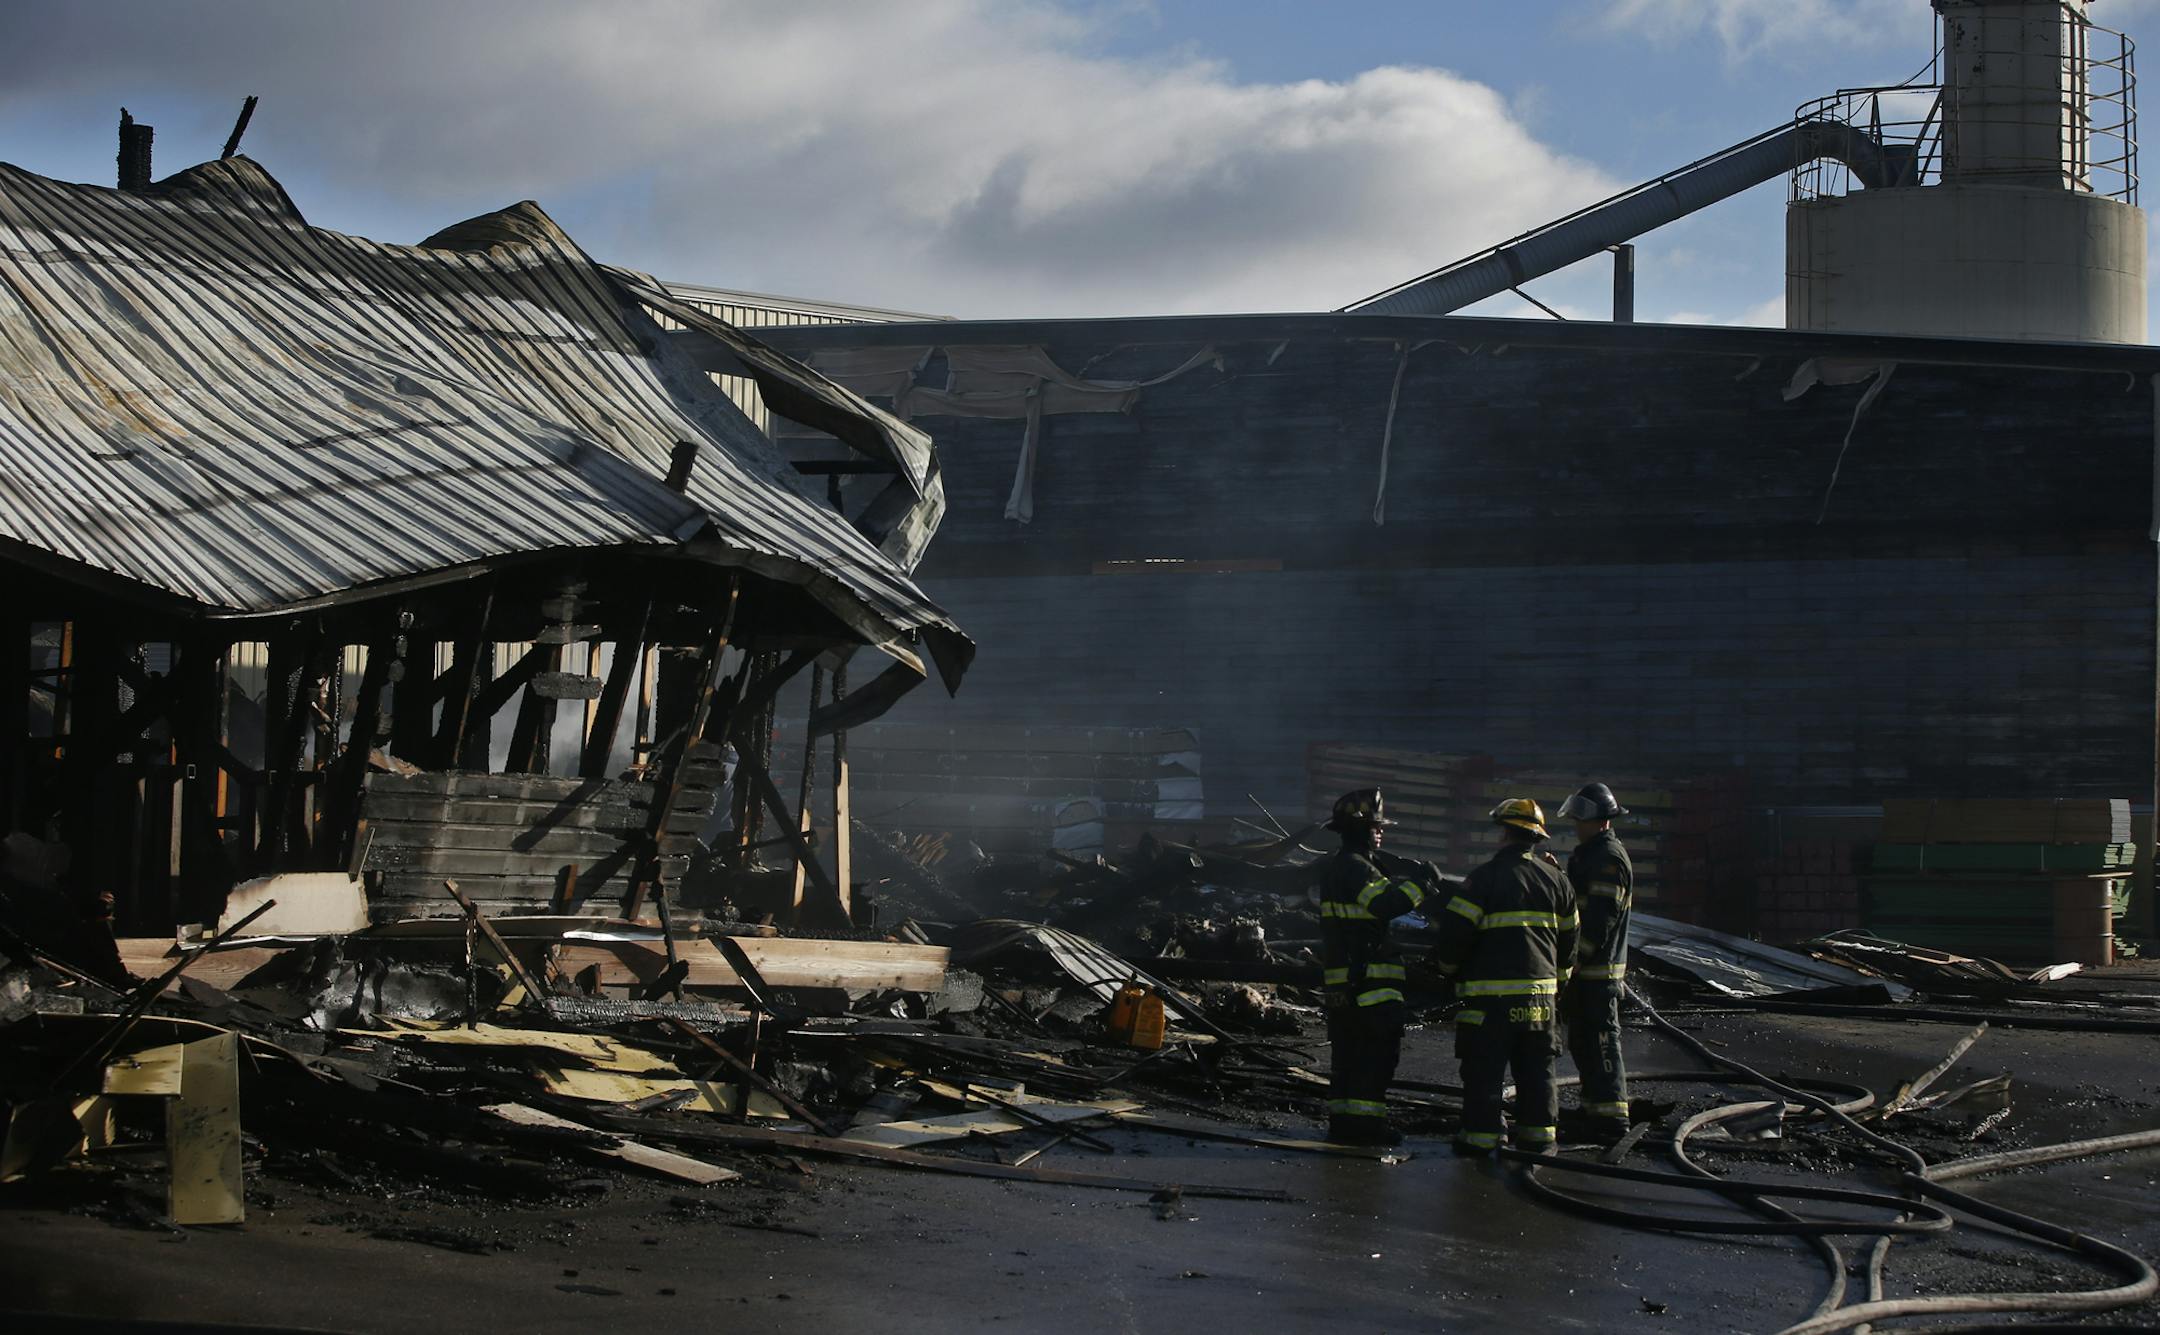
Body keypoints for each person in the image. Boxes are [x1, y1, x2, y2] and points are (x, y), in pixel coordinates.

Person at [1432, 798, 1577, 1156]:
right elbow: (1570, 939)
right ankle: (1540, 1139)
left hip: (1491, 1001)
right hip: (1541, 1000)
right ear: (1537, 838)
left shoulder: (1484, 879)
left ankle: (1481, 1139)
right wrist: (1557, 983)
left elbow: (1455, 935)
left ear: (1503, 834)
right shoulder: (1558, 881)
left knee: (1484, 1070)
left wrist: (1446, 971)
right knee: (1538, 1071)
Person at [1317, 787, 1430, 1146]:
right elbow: (1384, 905)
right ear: (1361, 829)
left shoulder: (1342, 866)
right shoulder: (1356, 868)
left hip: (1346, 980)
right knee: (1374, 1057)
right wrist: (1423, 885)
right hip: (1368, 983)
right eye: (1376, 827)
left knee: (1349, 1057)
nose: (1381, 832)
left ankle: (1344, 1122)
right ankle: (1366, 1126)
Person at [1557, 782, 1635, 1143]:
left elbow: (1599, 922)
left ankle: (1612, 1117)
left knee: (1602, 1042)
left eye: (1579, 820)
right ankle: (1593, 1108)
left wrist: (1571, 961)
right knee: (1584, 1042)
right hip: (1585, 973)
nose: (1575, 825)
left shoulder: (1608, 858)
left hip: (1597, 973)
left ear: (1598, 820)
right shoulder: (1590, 854)